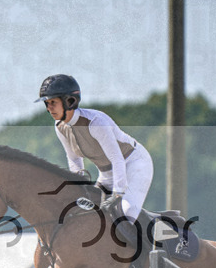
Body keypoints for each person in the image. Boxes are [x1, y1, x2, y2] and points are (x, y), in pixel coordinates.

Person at [35, 74, 154, 225]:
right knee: (85, 214)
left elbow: (117, 159)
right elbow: (74, 159)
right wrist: (77, 189)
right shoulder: (60, 127)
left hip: (134, 163)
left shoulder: (96, 122)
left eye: (53, 102)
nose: (49, 107)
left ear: (69, 101)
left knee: (125, 214)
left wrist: (118, 193)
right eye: (47, 103)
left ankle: (151, 245)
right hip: (107, 173)